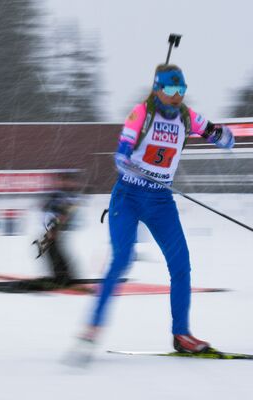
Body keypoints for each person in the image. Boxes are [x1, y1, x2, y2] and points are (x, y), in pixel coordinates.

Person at [80, 64, 234, 354]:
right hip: (128, 196)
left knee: (181, 265)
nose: (177, 97)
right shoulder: (141, 113)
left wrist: (224, 137)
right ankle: (93, 326)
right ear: (157, 89)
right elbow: (122, 150)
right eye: (172, 90)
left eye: (182, 90)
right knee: (123, 259)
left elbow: (213, 132)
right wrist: (124, 160)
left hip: (161, 201)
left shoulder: (187, 116)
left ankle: (182, 335)